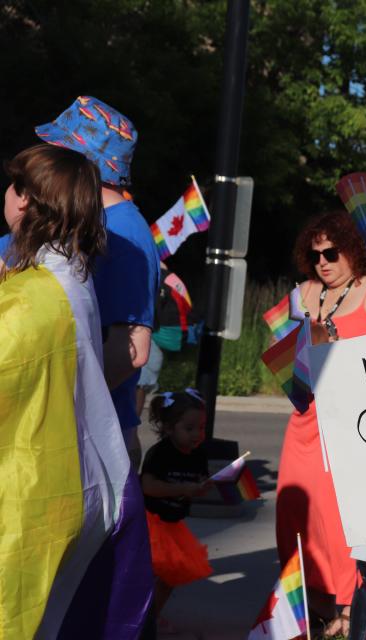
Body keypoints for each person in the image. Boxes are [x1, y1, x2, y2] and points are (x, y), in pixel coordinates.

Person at [0, 144, 152, 638]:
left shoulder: (33, 298)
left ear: (26, 201)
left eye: (15, 183)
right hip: (72, 484)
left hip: (33, 496)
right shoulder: (72, 274)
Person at [273, 211, 366, 638]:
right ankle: (313, 609)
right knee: (296, 514)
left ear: (353, 250)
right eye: (315, 253)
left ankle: (349, 609)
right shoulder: (303, 293)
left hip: (352, 423)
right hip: (304, 417)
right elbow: (281, 353)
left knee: (341, 520)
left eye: (332, 252)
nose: (323, 261)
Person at [36, 95, 161, 466]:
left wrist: (57, 408)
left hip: (91, 440)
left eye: (56, 153)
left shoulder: (125, 232)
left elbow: (131, 350)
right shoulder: (86, 221)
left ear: (81, 164)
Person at [141, 389, 213, 623]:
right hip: (151, 522)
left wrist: (203, 488)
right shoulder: (160, 453)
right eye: (189, 428)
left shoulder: (198, 454)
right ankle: (140, 617)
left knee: (170, 576)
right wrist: (182, 489)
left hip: (173, 523)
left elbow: (197, 484)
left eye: (201, 428)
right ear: (170, 428)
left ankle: (152, 616)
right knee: (150, 574)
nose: (197, 434)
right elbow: (148, 486)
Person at [136, 263, 195, 416]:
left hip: (162, 333)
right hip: (175, 331)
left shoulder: (156, 277)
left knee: (140, 382)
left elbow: (152, 312)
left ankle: (133, 420)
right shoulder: (170, 276)